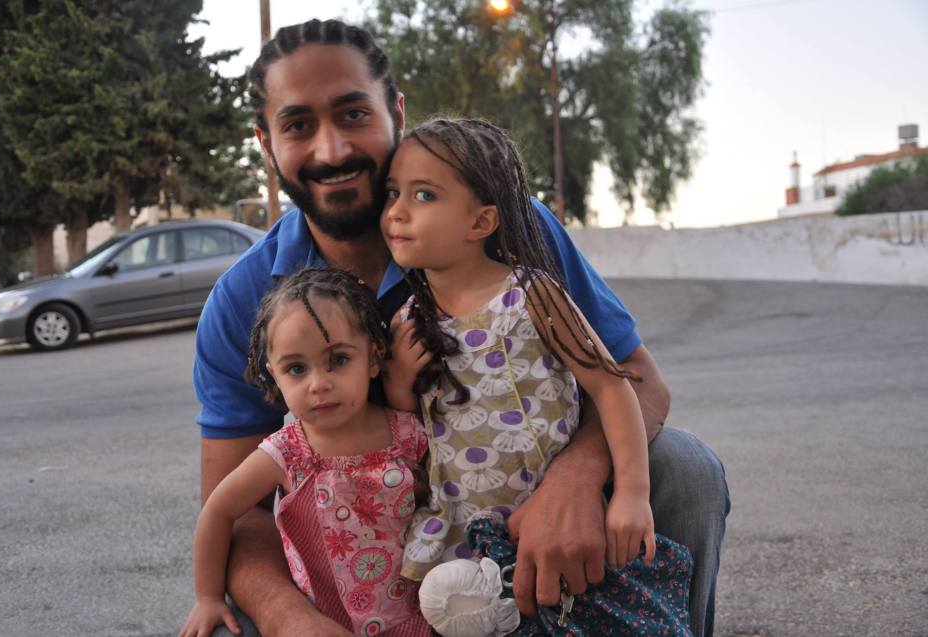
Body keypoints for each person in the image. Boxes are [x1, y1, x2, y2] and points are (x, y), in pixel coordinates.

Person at [193, 17, 729, 637]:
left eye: (353, 114)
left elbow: (637, 381)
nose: (332, 149)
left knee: (685, 468)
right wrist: (291, 619)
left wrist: (575, 481)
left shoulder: (504, 228)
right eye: (297, 125)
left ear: (396, 111)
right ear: (265, 142)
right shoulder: (242, 300)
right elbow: (237, 512)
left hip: (518, 502)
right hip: (360, 570)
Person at [380, 118, 655, 583]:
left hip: (554, 519)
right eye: (393, 193)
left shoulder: (531, 295)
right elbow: (411, 427)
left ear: (481, 221)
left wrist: (631, 492)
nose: (397, 212)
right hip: (459, 533)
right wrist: (399, 380)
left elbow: (610, 386)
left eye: (423, 195)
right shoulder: (408, 320)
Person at [181, 268, 432, 637]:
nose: (319, 384)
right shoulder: (286, 453)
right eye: (296, 368)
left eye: (339, 360)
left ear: (375, 358)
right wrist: (208, 596)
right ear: (273, 375)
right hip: (324, 627)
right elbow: (218, 511)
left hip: (420, 623)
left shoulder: (408, 433)